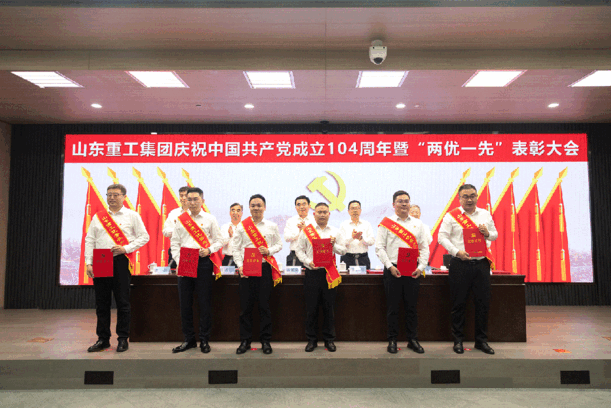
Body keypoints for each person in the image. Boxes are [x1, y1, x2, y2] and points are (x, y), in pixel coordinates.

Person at [84, 183, 149, 353]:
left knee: (123, 302)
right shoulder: (99, 216)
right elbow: (90, 239)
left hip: (121, 259)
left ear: (124, 197)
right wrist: (89, 262)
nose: (112, 198)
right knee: (102, 303)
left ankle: (122, 338)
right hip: (101, 259)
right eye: (109, 195)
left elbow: (144, 237)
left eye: (115, 195)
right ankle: (103, 339)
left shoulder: (132, 215)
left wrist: (126, 248)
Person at [438, 184, 498, 355]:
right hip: (460, 264)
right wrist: (456, 252)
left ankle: (481, 341)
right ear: (459, 198)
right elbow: (441, 237)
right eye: (465, 196)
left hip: (481, 264)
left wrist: (487, 233)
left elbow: (495, 235)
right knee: (458, 304)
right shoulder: (451, 216)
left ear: (477, 197)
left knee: (482, 304)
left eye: (472, 196)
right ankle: (458, 341)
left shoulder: (485, 214)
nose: (469, 199)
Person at [375, 190, 429, 354]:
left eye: (406, 201)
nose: (404, 204)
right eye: (400, 201)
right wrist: (389, 266)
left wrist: (421, 267)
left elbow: (424, 248)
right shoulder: (386, 223)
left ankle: (413, 340)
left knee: (411, 307)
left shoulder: (418, 224)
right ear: (394, 205)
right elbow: (379, 248)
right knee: (393, 308)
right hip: (393, 270)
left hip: (413, 271)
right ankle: (392, 340)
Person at [170, 187, 223, 354]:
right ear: (185, 200)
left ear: (202, 201)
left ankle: (204, 340)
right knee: (185, 303)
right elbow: (175, 243)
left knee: (204, 303)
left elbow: (220, 240)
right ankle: (189, 340)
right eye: (189, 199)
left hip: (203, 262)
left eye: (195, 199)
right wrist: (179, 261)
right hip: (185, 262)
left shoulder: (210, 219)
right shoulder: (181, 219)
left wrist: (209, 250)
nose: (192, 202)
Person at [233, 194, 283, 355]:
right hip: (246, 270)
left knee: (264, 306)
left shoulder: (271, 226)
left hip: (264, 269)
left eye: (259, 205)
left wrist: (269, 250)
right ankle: (245, 341)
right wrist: (240, 266)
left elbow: (279, 244)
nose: (256, 208)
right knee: (245, 308)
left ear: (264, 207)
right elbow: (236, 248)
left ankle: (265, 341)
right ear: (249, 207)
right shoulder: (242, 226)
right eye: (253, 205)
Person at [296, 203, 346, 352]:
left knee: (328, 308)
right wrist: (308, 262)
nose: (322, 214)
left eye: (325, 212)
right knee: (311, 308)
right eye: (319, 212)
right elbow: (299, 250)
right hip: (312, 272)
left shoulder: (335, 231)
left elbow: (343, 251)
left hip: (329, 273)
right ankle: (311, 340)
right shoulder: (307, 231)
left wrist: (334, 245)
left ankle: (329, 340)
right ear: (314, 214)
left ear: (329, 214)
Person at [339, 200, 375, 270]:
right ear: (348, 211)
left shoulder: (366, 224)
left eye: (357, 208)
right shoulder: (343, 225)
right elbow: (341, 243)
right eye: (352, 208)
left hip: (363, 258)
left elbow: (372, 242)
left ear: (360, 210)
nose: (355, 210)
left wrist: (361, 239)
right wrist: (352, 238)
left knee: (365, 277)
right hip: (347, 258)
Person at [162, 186, 190, 269]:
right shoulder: (173, 213)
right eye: (181, 196)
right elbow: (165, 231)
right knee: (173, 274)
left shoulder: (195, 213)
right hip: (175, 249)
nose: (183, 198)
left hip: (191, 250)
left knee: (188, 274)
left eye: (186, 195)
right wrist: (176, 231)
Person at [284, 195, 314, 267]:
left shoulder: (314, 220)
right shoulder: (291, 221)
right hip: (295, 256)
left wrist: (307, 231)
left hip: (311, 256)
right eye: (298, 205)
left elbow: (318, 239)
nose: (301, 207)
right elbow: (286, 238)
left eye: (304, 204)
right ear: (296, 208)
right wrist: (300, 233)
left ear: (309, 206)